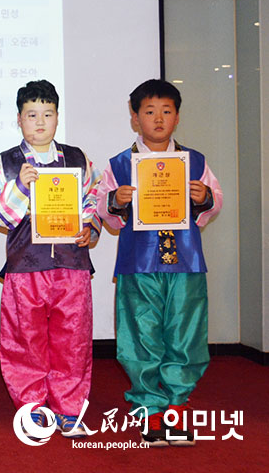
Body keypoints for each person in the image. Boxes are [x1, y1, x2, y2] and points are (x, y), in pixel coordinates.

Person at [96, 79, 222, 447]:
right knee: (141, 334)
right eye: (149, 111)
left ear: (177, 117)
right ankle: (150, 408)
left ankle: (177, 406)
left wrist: (205, 196)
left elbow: (214, 204)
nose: (159, 118)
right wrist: (116, 200)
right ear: (135, 118)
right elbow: (105, 211)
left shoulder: (195, 162)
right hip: (139, 263)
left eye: (167, 111)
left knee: (186, 333)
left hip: (185, 262)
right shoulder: (119, 165)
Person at [0, 79, 100, 439]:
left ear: (58, 117)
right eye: (32, 115)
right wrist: (19, 187)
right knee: (25, 340)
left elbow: (93, 200)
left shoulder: (77, 159)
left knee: (73, 340)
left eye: (48, 114)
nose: (40, 122)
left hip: (71, 265)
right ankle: (33, 408)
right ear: (19, 119)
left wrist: (88, 226)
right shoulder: (5, 163)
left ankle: (69, 409)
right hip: (25, 265)